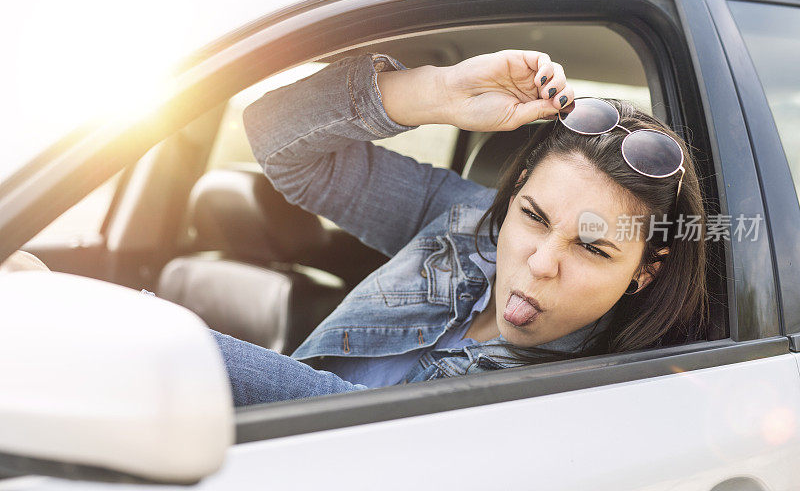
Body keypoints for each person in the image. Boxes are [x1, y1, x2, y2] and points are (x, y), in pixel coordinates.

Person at [213, 50, 708, 407]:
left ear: (646, 270)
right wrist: (438, 93)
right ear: (512, 195)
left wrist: (173, 347)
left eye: (593, 249)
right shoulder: (469, 219)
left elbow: (363, 429)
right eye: (533, 217)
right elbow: (277, 137)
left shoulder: (588, 397)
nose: (539, 263)